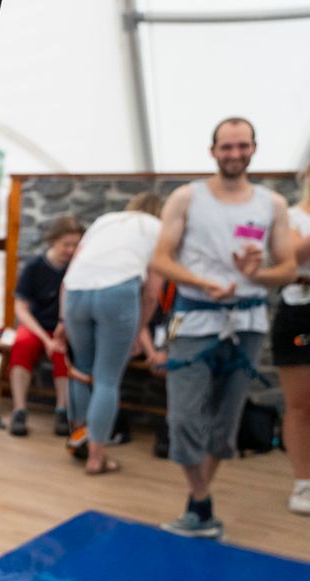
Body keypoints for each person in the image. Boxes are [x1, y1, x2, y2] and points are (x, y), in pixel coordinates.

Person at [151, 117, 296, 539]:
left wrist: (259, 272)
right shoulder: (186, 198)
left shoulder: (272, 205)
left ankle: (198, 506)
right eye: (226, 147)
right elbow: (161, 260)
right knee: (182, 419)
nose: (234, 154)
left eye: (242, 146)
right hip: (195, 319)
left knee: (224, 422)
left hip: (247, 323)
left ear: (253, 149)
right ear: (212, 151)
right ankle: (200, 498)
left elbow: (286, 269)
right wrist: (203, 283)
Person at [59, 193, 165, 475]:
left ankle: (78, 439)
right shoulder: (158, 229)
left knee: (81, 369)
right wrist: (137, 330)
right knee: (107, 378)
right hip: (118, 293)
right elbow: (153, 293)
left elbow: (71, 273)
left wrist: (62, 319)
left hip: (76, 293)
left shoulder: (105, 221)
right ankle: (96, 458)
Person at [8, 215, 84, 437]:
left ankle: (63, 410)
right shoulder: (35, 267)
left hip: (65, 327)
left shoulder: (78, 267)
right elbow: (21, 308)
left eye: (75, 245)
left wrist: (60, 335)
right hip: (36, 326)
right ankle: (19, 410)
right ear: (53, 241)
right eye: (66, 244)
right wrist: (44, 338)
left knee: (63, 353)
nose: (70, 250)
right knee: (21, 346)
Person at [276, 165, 310, 514]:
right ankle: (303, 483)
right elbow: (286, 261)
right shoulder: (289, 215)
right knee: (301, 403)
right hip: (300, 313)